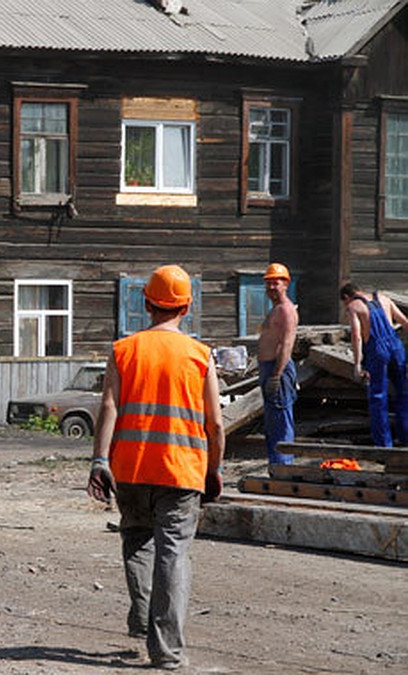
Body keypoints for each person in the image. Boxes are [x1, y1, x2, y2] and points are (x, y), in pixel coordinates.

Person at [87, 264, 225, 671]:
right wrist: (214, 471)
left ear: (147, 303)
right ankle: (165, 650)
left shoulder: (123, 350)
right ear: (186, 306)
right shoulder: (200, 356)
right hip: (182, 471)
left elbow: (109, 406)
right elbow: (215, 423)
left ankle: (143, 616)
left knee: (136, 539)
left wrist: (99, 460)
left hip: (129, 468)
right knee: (174, 555)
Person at [340, 281, 408, 447]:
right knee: (404, 393)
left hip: (377, 351)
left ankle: (384, 446)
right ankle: (406, 439)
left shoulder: (353, 307)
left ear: (346, 297)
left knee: (378, 398)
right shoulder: (384, 298)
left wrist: (357, 365)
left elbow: (356, 337)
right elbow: (405, 321)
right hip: (396, 346)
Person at [257, 263, 298, 465]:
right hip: (269, 368)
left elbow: (287, 344)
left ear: (286, 284)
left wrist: (277, 374)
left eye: (276, 283)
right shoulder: (276, 310)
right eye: (269, 283)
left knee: (281, 419)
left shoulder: (287, 311)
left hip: (277, 369)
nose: (272, 287)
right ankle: (277, 465)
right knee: (272, 421)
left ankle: (284, 466)